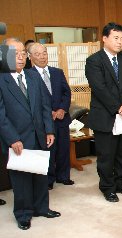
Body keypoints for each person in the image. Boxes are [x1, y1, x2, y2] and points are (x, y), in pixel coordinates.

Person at [0, 38, 60, 230]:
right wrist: (12, 138)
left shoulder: (33, 76)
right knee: (21, 178)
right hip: (16, 138)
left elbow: (44, 106)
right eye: (14, 53)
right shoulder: (2, 79)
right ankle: (23, 214)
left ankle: (42, 207)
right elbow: (0, 114)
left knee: (41, 173)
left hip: (39, 135)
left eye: (23, 54)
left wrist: (49, 129)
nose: (20, 57)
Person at [85, 22, 122, 202]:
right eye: (116, 38)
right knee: (106, 154)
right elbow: (99, 88)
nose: (120, 42)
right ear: (105, 38)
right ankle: (107, 187)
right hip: (105, 115)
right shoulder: (94, 61)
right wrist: (118, 107)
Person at [29, 43, 74, 190]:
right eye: (38, 54)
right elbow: (32, 100)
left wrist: (62, 109)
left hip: (61, 118)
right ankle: (48, 178)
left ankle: (63, 176)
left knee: (63, 148)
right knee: (48, 150)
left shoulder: (57, 72)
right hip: (43, 121)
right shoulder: (28, 75)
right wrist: (49, 113)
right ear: (31, 57)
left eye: (44, 53)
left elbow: (67, 93)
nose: (42, 57)